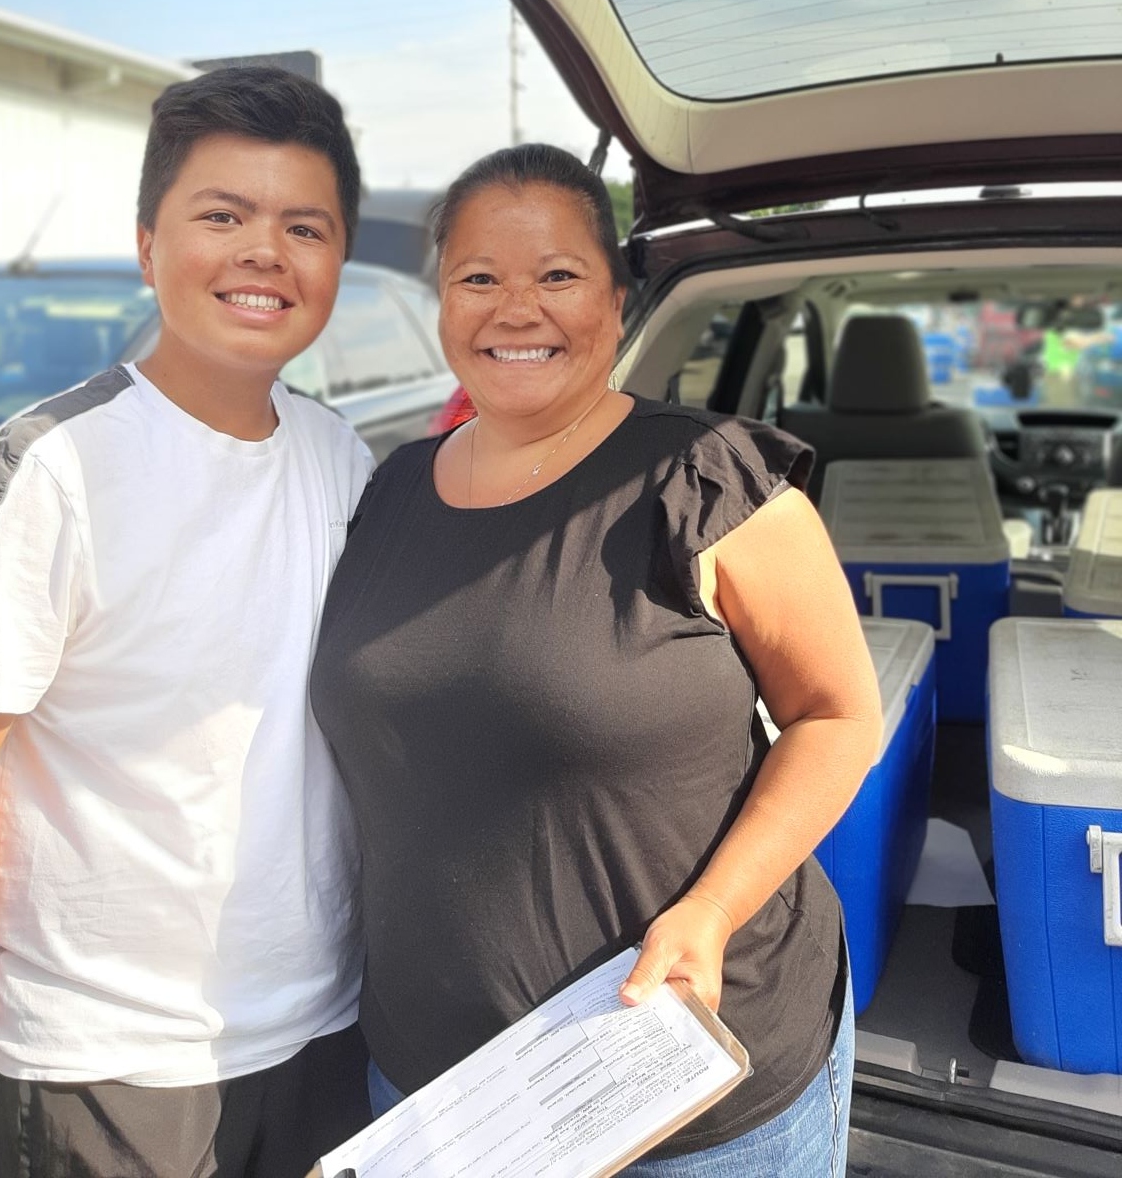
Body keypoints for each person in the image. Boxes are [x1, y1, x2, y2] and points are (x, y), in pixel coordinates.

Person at [309, 144, 884, 1176]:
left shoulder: (708, 481)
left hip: (681, 1074)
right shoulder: (388, 492)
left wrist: (710, 912)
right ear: (441, 305)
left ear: (617, 303)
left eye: (558, 276)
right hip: (440, 1088)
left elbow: (837, 717)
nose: (515, 310)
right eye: (478, 278)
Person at [0, 66, 374, 1177]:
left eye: (305, 225)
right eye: (222, 215)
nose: (264, 251)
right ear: (150, 245)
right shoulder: (47, 469)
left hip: (323, 1025)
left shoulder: (340, 455)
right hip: (103, 1060)